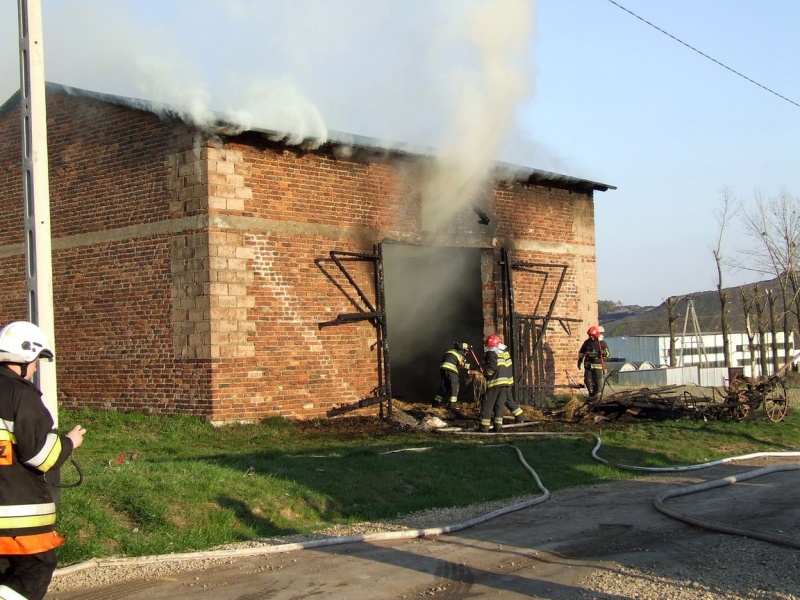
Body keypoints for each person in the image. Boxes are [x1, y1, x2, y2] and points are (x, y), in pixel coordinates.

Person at [0, 321, 86, 600]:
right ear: (25, 358)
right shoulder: (21, 395)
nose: (37, 367)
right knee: (36, 568)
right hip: (16, 518)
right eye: (37, 359)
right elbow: (41, 456)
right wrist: (70, 442)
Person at [480, 334, 524, 432]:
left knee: (487, 405)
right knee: (499, 405)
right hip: (505, 382)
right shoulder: (503, 353)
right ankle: (498, 427)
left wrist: (485, 374)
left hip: (495, 383)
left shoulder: (491, 353)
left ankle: (484, 427)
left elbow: (492, 368)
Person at [432, 342, 472, 411]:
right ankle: (452, 405)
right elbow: (459, 345)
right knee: (455, 385)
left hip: (444, 368)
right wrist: (469, 346)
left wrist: (473, 367)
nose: (466, 355)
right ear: (465, 350)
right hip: (451, 368)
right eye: (467, 353)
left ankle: (436, 403)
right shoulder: (459, 350)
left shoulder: (454, 352)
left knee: (445, 386)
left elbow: (461, 365)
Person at [578, 325, 610, 401]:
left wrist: (603, 352)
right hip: (588, 364)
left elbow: (608, 353)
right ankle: (591, 393)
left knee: (598, 380)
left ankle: (598, 394)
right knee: (587, 379)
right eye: (589, 335)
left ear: (595, 335)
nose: (590, 337)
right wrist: (580, 361)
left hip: (598, 365)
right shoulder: (586, 343)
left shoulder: (602, 343)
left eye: (591, 335)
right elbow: (581, 352)